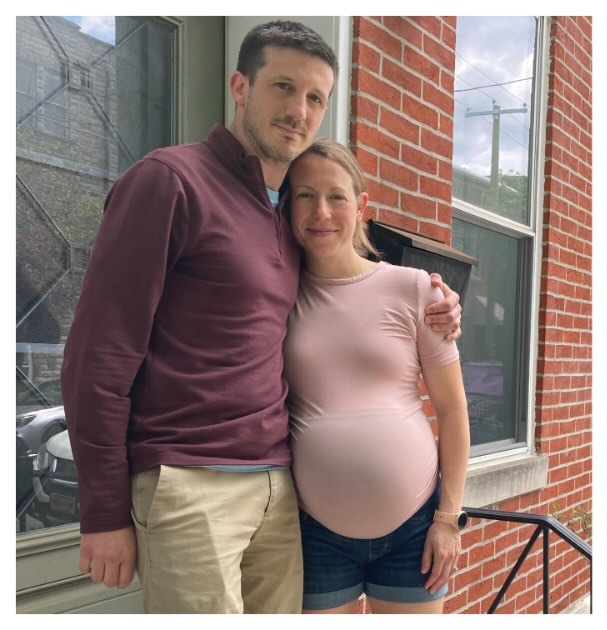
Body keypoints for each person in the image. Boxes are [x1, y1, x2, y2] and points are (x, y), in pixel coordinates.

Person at [60, 21, 461, 614]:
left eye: (315, 97)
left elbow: (353, 281)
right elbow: (99, 354)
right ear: (240, 86)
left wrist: (441, 301)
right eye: (282, 87)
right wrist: (103, 508)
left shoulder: (284, 219)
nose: (298, 110)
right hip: (188, 481)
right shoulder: (170, 182)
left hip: (279, 489)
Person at [282, 138, 469, 614]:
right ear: (286, 207)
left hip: (415, 532)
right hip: (315, 533)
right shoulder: (276, 296)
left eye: (336, 196)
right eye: (304, 195)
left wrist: (448, 519)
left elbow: (452, 411)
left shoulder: (414, 289)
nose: (320, 211)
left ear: (361, 206)